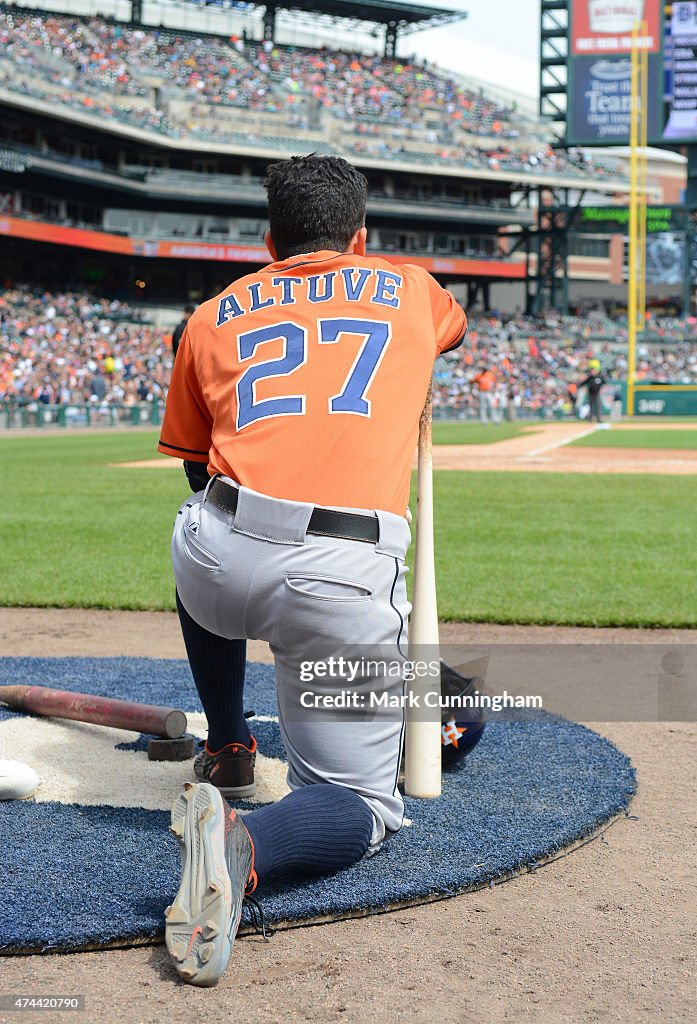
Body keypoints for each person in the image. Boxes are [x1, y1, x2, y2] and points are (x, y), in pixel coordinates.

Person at [157, 154, 467, 987]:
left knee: (197, 526)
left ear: (267, 239)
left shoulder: (210, 315)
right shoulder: (408, 286)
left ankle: (228, 743)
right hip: (341, 573)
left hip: (219, 556)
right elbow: (448, 330)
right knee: (362, 798)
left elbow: (197, 467)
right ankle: (246, 844)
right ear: (360, 236)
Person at [579, 359, 605, 423]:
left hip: (597, 393)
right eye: (592, 370)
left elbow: (604, 384)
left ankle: (599, 419)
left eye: (594, 370)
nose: (593, 371)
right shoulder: (590, 377)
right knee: (591, 407)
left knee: (598, 406)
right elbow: (584, 383)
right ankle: (590, 419)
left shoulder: (600, 377)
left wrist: (602, 389)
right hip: (590, 393)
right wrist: (578, 386)